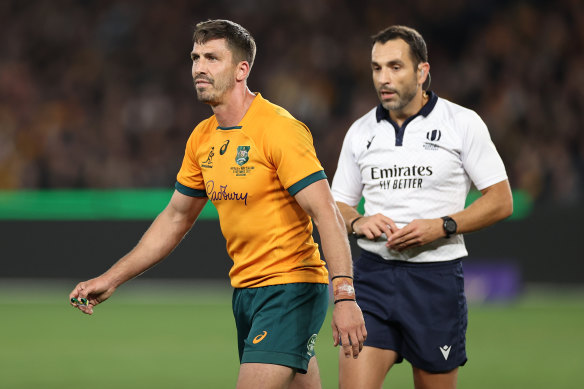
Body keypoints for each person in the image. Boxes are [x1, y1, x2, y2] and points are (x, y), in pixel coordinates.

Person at [69, 19, 366, 389]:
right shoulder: (202, 138)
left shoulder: (278, 129)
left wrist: (345, 296)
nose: (199, 67)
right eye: (195, 57)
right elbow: (176, 218)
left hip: (290, 288)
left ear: (242, 69)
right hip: (246, 293)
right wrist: (111, 278)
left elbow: (327, 213)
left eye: (212, 58)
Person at [331, 25, 513, 389]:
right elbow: (337, 205)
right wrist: (356, 222)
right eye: (376, 68)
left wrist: (443, 225)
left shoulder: (461, 123)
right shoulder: (360, 131)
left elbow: (501, 200)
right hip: (373, 277)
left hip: (435, 281)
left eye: (395, 67)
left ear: (422, 71)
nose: (383, 78)